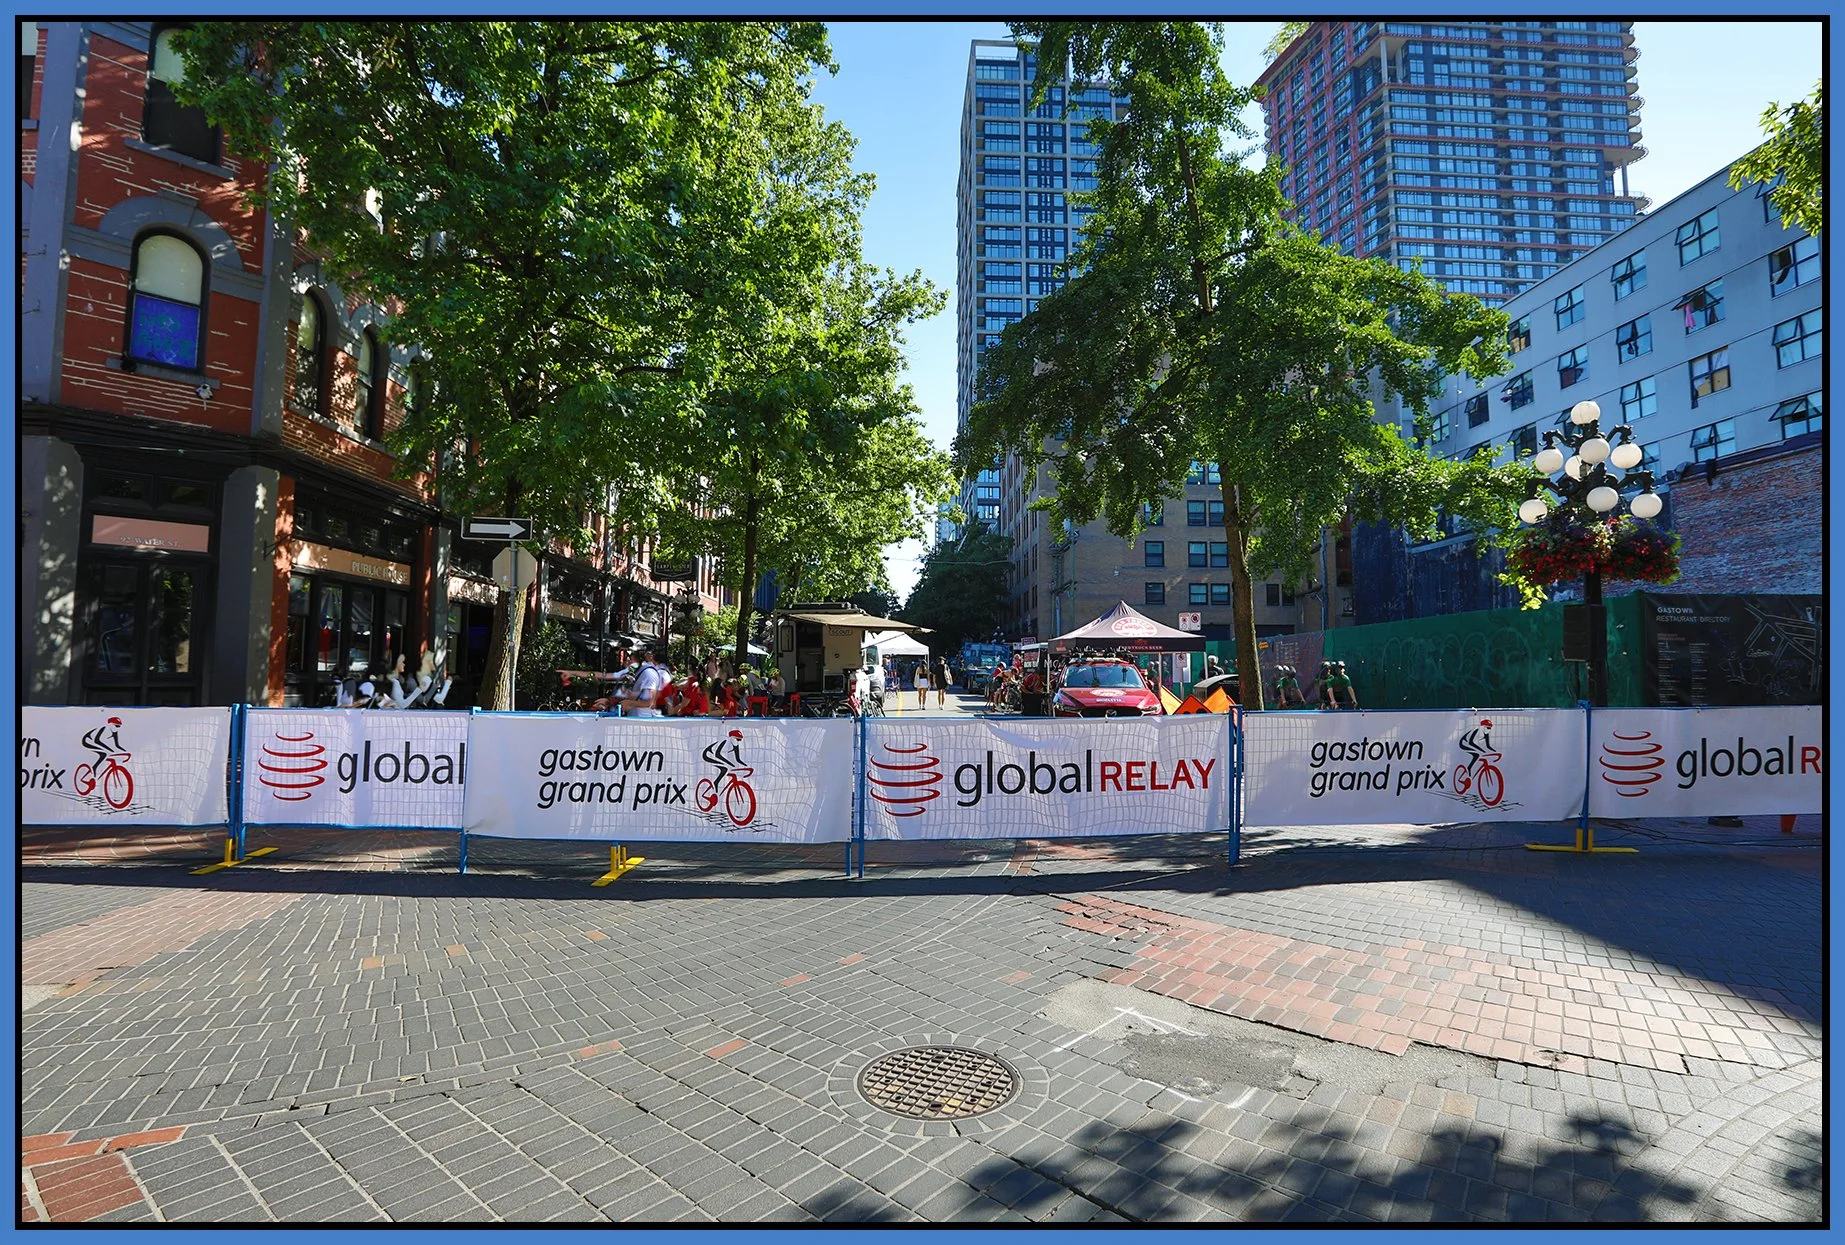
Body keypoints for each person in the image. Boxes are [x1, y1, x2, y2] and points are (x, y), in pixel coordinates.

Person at [616, 648, 670, 717]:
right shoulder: (639, 674)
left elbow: (649, 702)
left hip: (643, 718)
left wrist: (629, 703)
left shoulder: (649, 674)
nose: (627, 662)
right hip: (634, 716)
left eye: (630, 660)